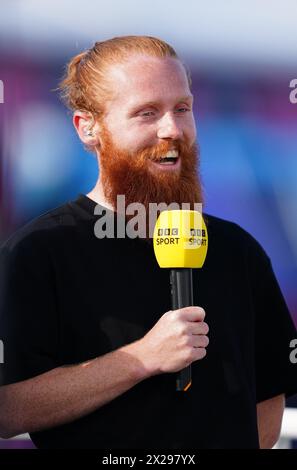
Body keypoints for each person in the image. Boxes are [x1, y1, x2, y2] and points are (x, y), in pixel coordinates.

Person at [0, 36, 296, 450]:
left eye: (182, 108)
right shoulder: (38, 252)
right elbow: (8, 409)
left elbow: (268, 397)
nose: (171, 129)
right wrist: (142, 359)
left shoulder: (238, 250)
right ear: (89, 128)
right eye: (146, 113)